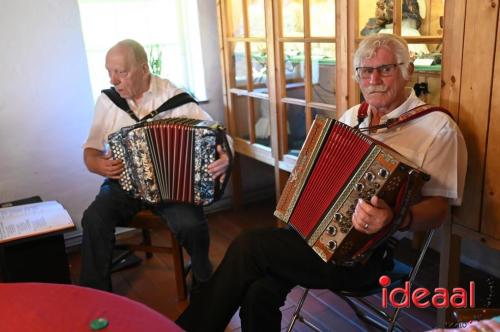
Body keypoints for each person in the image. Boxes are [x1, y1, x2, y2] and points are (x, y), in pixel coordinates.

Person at [175, 33, 467, 332]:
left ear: (408, 70)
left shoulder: (438, 127)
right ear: (358, 76)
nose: (374, 78)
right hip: (314, 238)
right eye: (366, 71)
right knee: (259, 288)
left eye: (386, 69)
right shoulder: (354, 116)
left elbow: (441, 210)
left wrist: (397, 218)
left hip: (367, 257)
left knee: (249, 246)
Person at [79, 39, 230, 292]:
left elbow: (218, 135)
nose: (113, 80)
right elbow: (91, 149)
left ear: (144, 69)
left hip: (171, 189)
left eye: (121, 72)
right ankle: (96, 295)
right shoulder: (108, 101)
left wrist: (225, 157)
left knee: (190, 225)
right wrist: (96, 164)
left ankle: (203, 273)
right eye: (109, 71)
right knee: (94, 219)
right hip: (123, 185)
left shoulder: (174, 97)